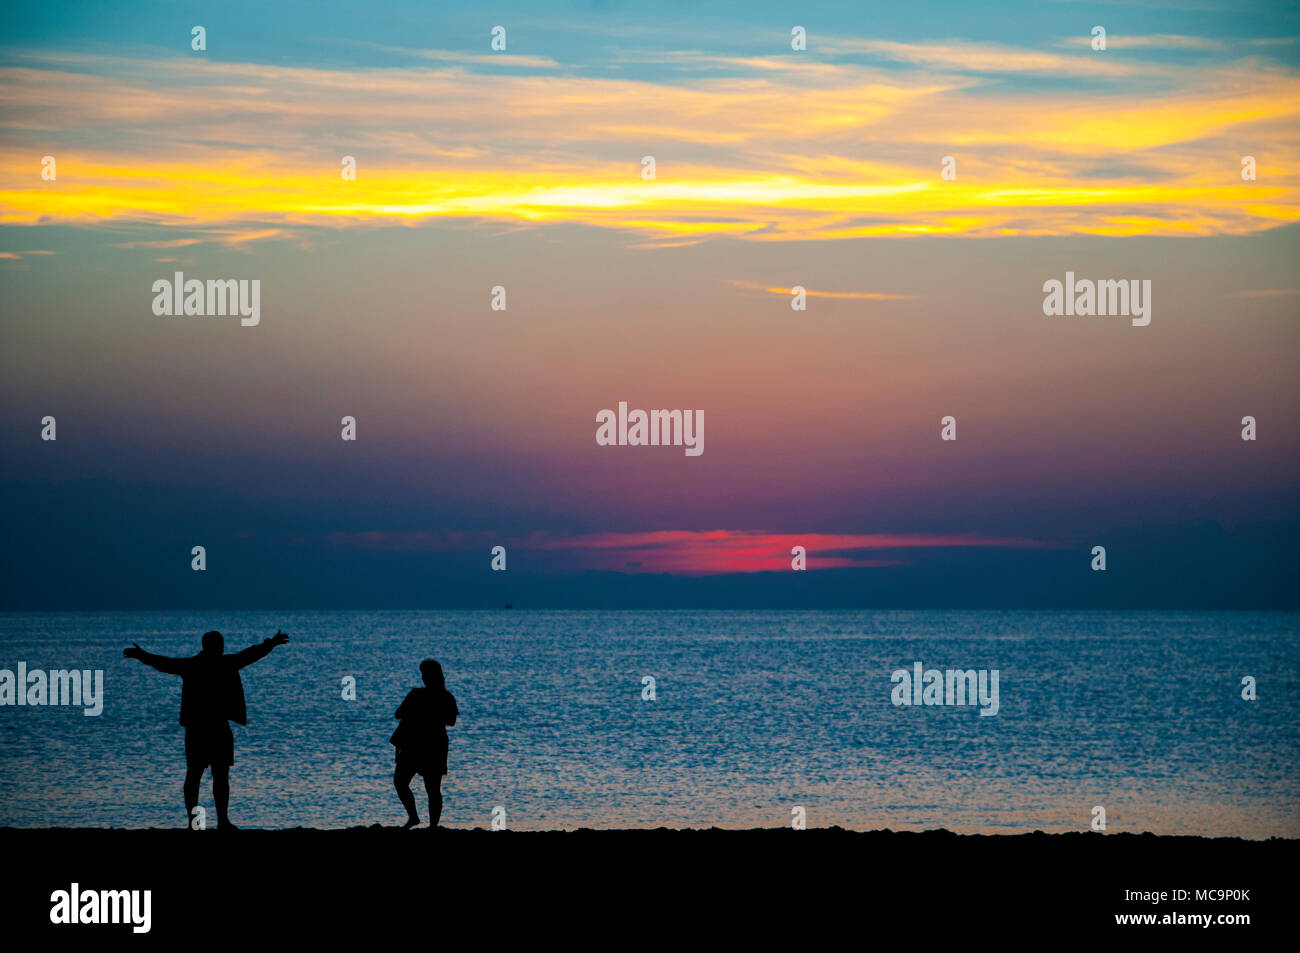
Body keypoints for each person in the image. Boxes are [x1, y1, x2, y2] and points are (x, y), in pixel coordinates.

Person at [123, 629, 290, 830]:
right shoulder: (220, 664)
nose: (221, 648)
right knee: (208, 777)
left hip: (202, 729)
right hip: (211, 728)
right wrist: (271, 643)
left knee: (205, 777)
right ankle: (215, 822)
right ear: (214, 646)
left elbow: (164, 663)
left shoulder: (195, 665)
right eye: (219, 645)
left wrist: (142, 655)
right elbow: (250, 654)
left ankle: (207, 823)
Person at [392, 659, 458, 829]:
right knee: (430, 787)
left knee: (407, 783)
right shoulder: (445, 696)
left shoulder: (417, 695)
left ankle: (420, 820)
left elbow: (399, 714)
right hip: (431, 744)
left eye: (425, 674)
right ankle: (429, 824)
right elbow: (451, 721)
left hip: (416, 744)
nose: (424, 678)